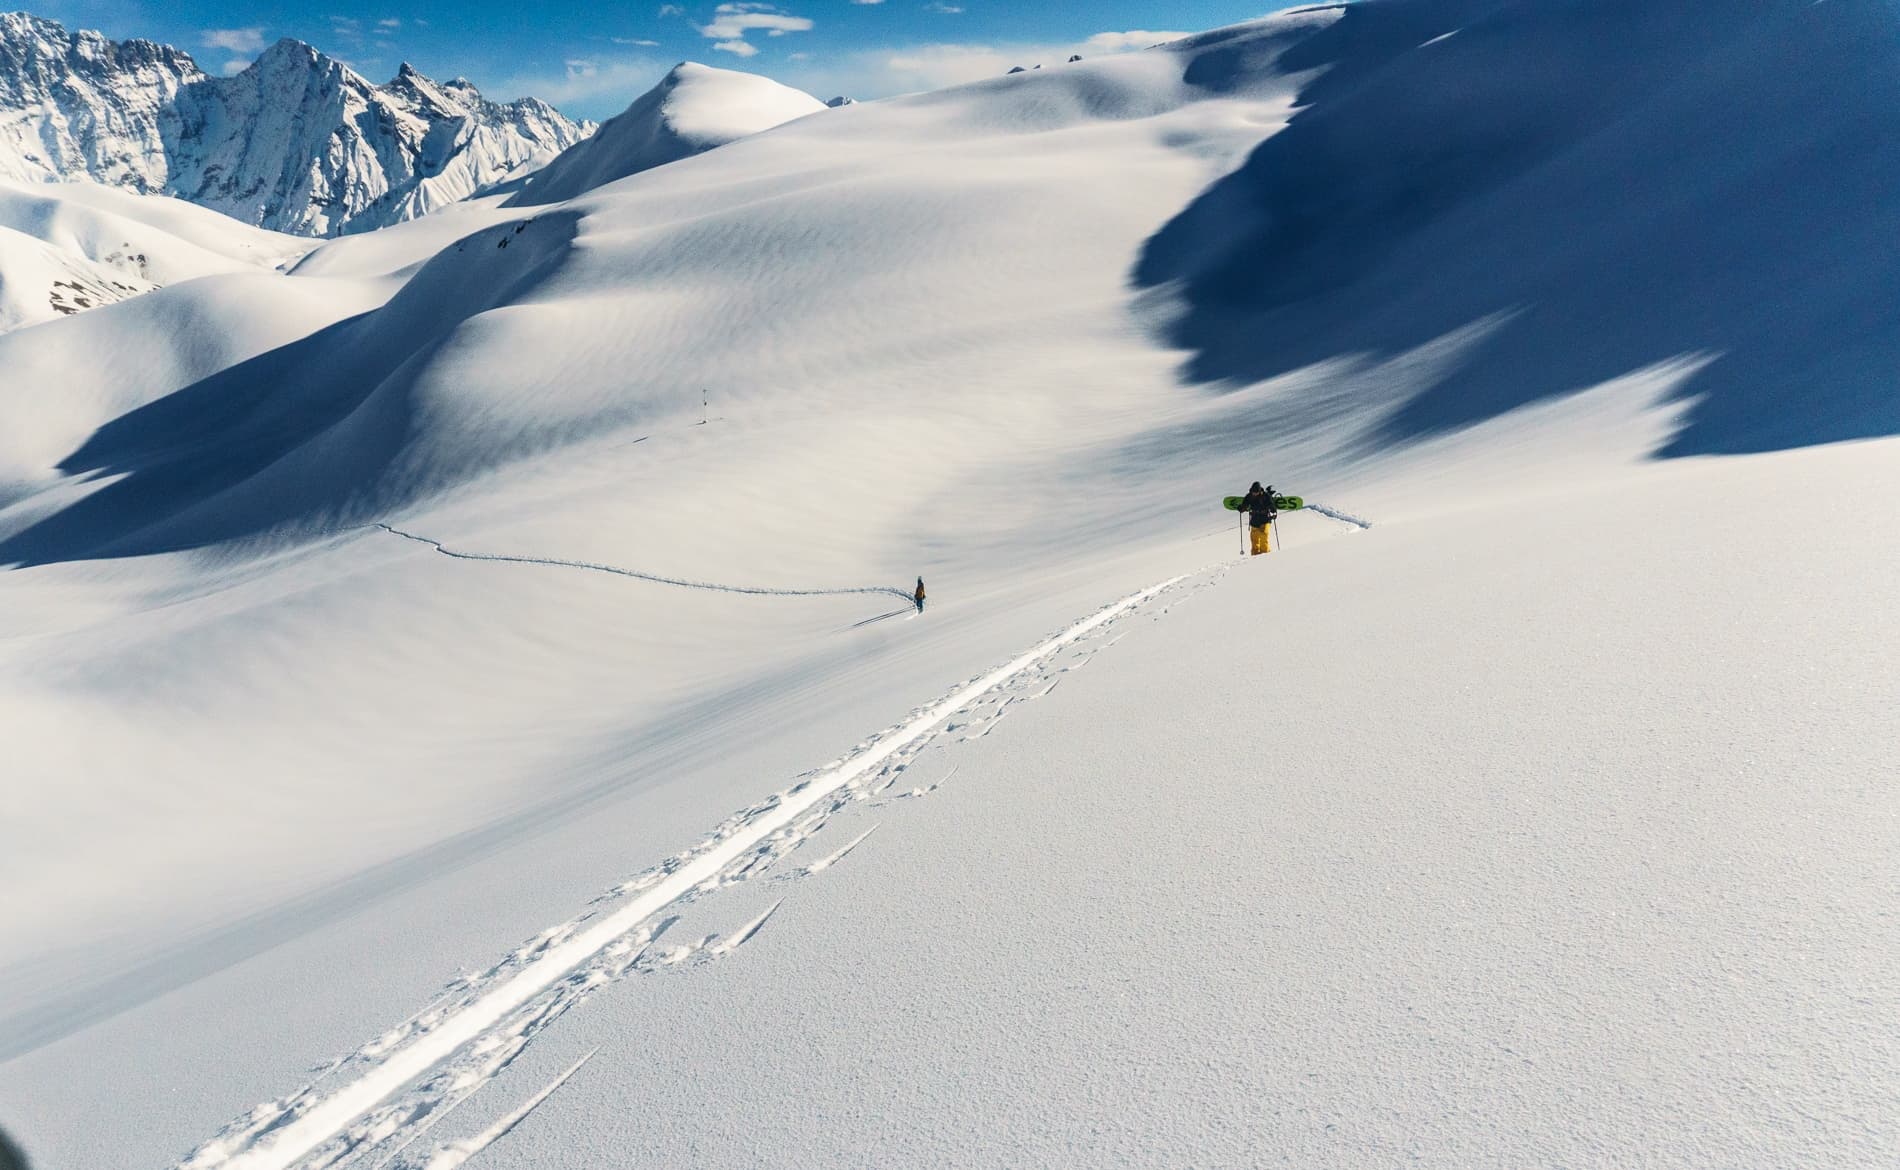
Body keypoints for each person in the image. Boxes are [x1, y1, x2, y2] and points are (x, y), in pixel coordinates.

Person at [1240, 481, 1277, 555]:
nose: (1254, 493)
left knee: (1264, 536)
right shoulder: (1249, 496)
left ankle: (1265, 554)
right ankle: (1255, 556)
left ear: (1259, 491)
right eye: (1253, 492)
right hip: (1254, 520)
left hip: (1265, 519)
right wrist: (1242, 508)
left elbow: (1271, 504)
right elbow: (1245, 505)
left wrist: (1273, 509)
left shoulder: (1265, 496)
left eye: (1256, 492)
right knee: (1254, 540)